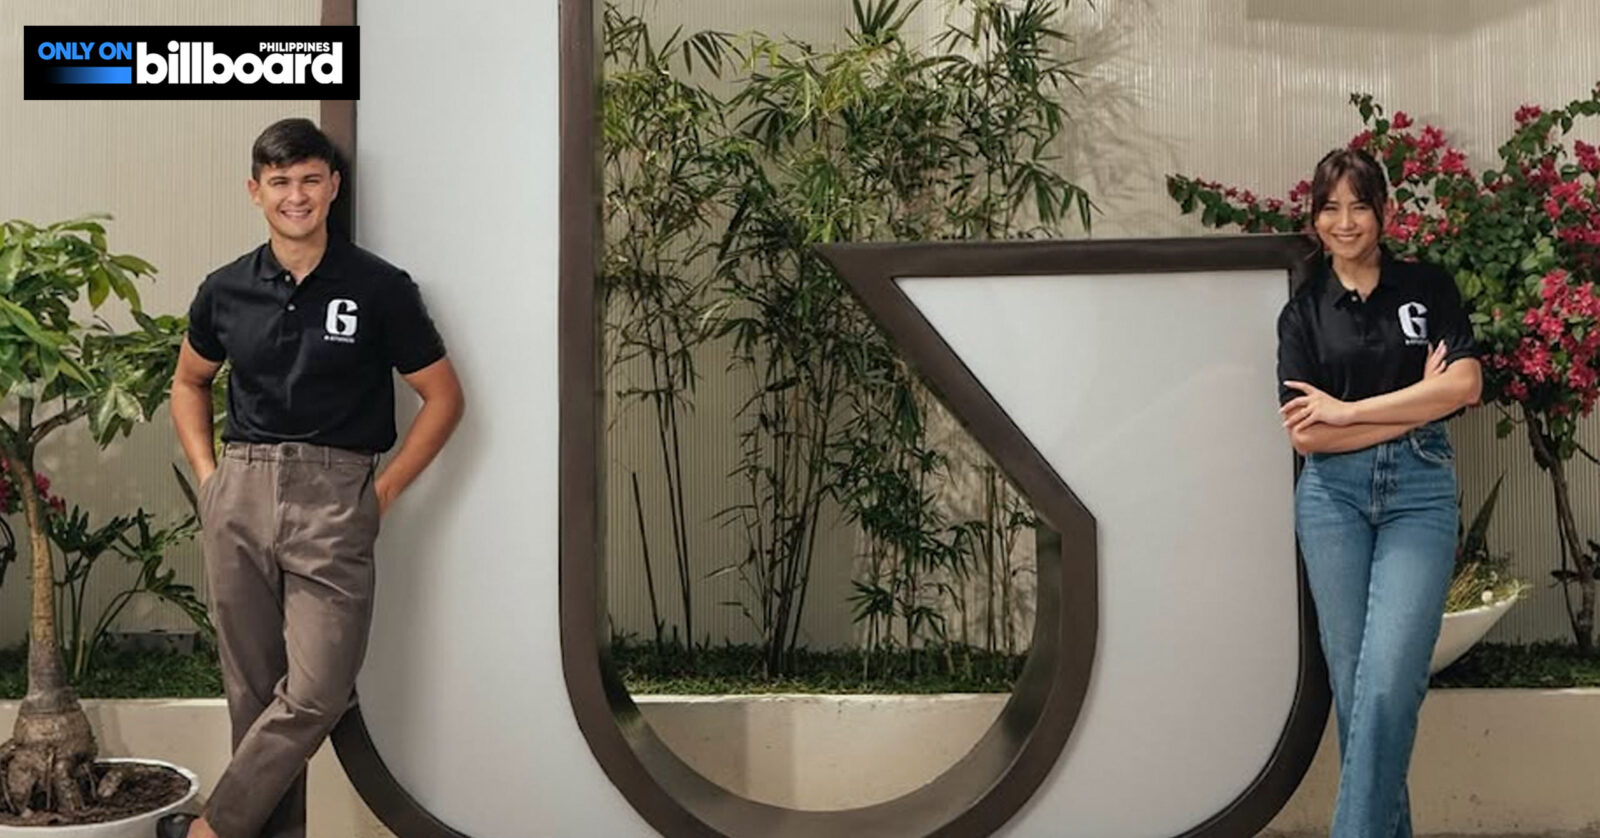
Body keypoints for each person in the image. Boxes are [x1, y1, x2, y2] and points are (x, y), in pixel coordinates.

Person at [159, 118, 465, 838]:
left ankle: (211, 830)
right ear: (255, 191)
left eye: (308, 180)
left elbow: (444, 398)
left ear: (332, 187)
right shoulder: (226, 289)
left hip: (336, 495)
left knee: (319, 690)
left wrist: (382, 491)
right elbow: (189, 381)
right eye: (279, 182)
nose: (294, 195)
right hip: (241, 487)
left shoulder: (380, 287)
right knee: (251, 695)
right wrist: (209, 479)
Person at [1277, 147, 1482, 838]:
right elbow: (1308, 436)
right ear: (1314, 219)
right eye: (1330, 208)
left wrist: (1348, 411)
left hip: (1419, 492)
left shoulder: (1427, 287)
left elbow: (1466, 386)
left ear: (1385, 212)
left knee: (1389, 684)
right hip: (1331, 502)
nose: (1345, 222)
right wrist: (1417, 402)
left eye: (1359, 206)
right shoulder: (1303, 313)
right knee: (1358, 693)